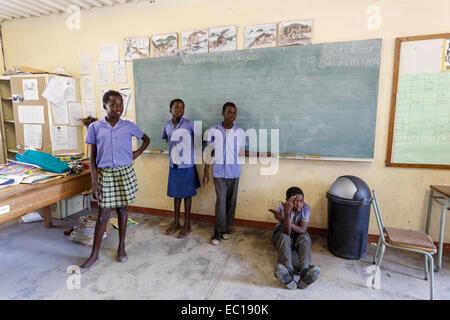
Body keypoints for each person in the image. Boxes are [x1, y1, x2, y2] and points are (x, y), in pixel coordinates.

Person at [80, 90, 150, 273]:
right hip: (105, 174)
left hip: (124, 172)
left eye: (120, 104)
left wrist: (135, 154)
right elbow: (92, 158)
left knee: (122, 210)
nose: (118, 108)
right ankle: (94, 255)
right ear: (105, 106)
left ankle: (121, 247)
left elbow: (146, 139)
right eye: (114, 105)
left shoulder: (128, 126)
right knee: (103, 214)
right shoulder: (95, 127)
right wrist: (94, 183)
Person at [203, 102, 246, 245]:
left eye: (234, 112)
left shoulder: (239, 132)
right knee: (221, 201)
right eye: (229, 112)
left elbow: (241, 152)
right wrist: (205, 171)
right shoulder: (214, 130)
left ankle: (227, 228)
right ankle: (218, 231)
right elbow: (209, 151)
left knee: (231, 201)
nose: (231, 115)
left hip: (234, 171)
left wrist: (261, 154)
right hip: (219, 171)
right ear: (223, 113)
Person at [162, 99, 201, 238]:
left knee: (187, 195)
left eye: (182, 107)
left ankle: (187, 224)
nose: (180, 110)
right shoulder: (166, 125)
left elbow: (198, 140)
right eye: (176, 107)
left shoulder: (190, 124)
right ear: (170, 109)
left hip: (187, 165)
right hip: (174, 164)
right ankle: (176, 222)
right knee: (176, 194)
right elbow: (167, 140)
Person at [269, 187, 320, 289]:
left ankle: (305, 272)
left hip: (298, 234)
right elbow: (286, 232)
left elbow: (302, 229)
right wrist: (287, 214)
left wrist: (283, 219)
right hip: (282, 233)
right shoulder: (282, 208)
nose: (299, 204)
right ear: (288, 201)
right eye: (295, 201)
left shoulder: (306, 208)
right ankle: (287, 273)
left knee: (305, 237)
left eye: (301, 201)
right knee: (284, 238)